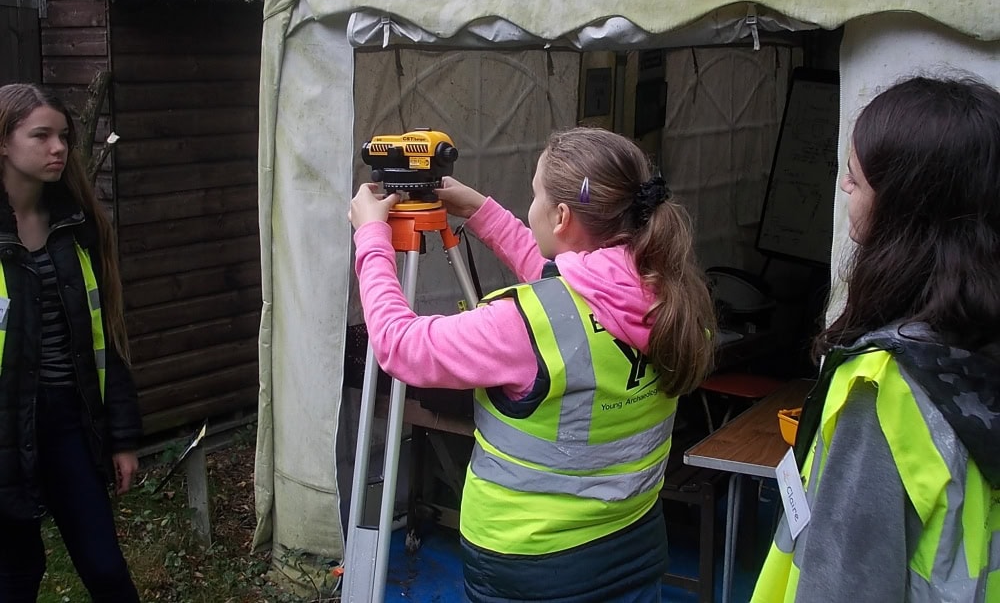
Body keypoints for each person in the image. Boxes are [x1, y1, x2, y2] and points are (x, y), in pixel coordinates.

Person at [350, 126, 717, 602]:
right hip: (633, 541)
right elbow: (564, 280)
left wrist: (372, 238)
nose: (531, 206)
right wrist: (480, 211)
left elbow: (401, 346)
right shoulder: (667, 294)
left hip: (534, 563)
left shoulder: (525, 325)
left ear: (561, 215)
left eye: (535, 195)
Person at [751, 75, 1000, 603]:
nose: (844, 187)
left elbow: (844, 583)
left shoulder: (884, 389)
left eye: (856, 178)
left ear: (909, 208)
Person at [0, 84, 143, 601]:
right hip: (4, 428)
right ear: (3, 142)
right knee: (16, 573)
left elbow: (108, 341)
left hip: (68, 425)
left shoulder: (77, 226)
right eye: (41, 136)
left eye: (62, 136)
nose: (58, 147)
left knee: (106, 570)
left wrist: (122, 438)